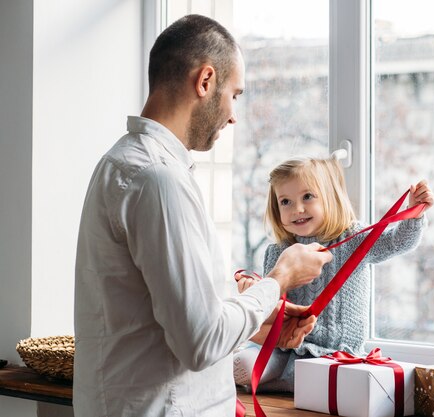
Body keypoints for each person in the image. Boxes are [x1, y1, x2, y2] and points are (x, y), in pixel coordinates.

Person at [73, 15, 332, 417]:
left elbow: (166, 314)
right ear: (206, 81)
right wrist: (279, 281)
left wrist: (262, 321)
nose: (233, 116)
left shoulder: (123, 164)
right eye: (235, 94)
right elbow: (200, 343)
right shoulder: (156, 180)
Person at [233, 157, 434, 392]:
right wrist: (255, 290)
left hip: (336, 353)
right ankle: (288, 382)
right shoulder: (278, 251)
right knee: (245, 364)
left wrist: (415, 214)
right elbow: (274, 307)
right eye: (285, 201)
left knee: (333, 380)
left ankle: (290, 384)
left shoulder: (353, 238)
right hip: (285, 349)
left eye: (307, 197)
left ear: (330, 198)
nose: (297, 209)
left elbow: (396, 242)